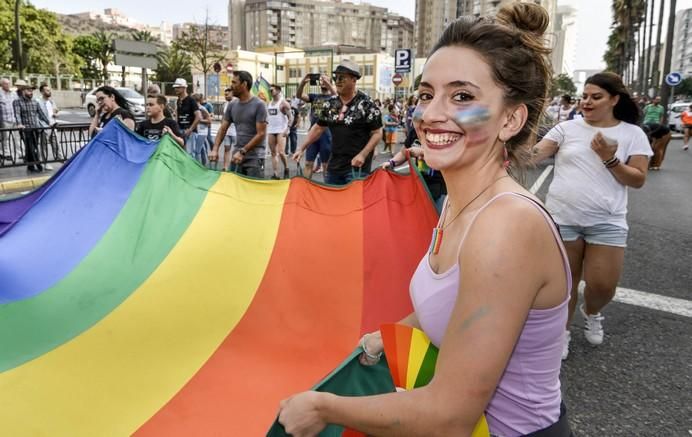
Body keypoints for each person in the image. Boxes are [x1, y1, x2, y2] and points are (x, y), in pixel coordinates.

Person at [278, 4, 575, 436]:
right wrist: (392, 333)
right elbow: (455, 307)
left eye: (462, 97)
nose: (432, 114)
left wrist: (323, 408)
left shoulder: (506, 226)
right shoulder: (460, 202)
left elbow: (449, 417)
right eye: (425, 94)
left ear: (510, 118)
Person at [533, 71, 652, 360]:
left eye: (595, 97)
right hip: (562, 217)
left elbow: (637, 179)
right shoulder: (566, 129)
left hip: (607, 221)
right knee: (566, 283)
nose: (587, 102)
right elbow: (534, 154)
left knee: (603, 286)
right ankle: (562, 333)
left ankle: (593, 310)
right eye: (584, 96)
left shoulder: (631, 133)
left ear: (613, 99)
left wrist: (609, 158)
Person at [292, 60, 383, 185]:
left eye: (342, 77)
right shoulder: (331, 103)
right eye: (336, 77)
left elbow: (377, 133)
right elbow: (318, 128)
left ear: (354, 79)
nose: (338, 81)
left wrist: (363, 155)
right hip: (334, 166)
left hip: (356, 167)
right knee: (332, 202)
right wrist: (301, 148)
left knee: (353, 204)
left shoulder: (367, 104)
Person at [209, 70, 268, 178]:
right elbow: (223, 129)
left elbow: (261, 134)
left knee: (254, 193)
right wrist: (215, 149)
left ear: (244, 84)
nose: (231, 86)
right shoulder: (232, 105)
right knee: (236, 193)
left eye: (234, 82)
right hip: (236, 157)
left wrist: (242, 151)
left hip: (254, 159)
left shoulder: (259, 105)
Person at [296, 73, 336, 179]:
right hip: (312, 135)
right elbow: (299, 95)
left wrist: (329, 85)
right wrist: (303, 82)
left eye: (326, 80)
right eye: (322, 80)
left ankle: (328, 190)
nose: (323, 82)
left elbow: (338, 97)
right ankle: (305, 189)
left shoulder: (333, 97)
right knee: (308, 164)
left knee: (325, 166)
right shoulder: (314, 96)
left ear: (330, 83)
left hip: (326, 135)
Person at [13, 80, 51, 173]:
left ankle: (30, 166)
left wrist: (48, 122)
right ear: (23, 91)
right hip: (25, 129)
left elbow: (41, 114)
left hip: (35, 127)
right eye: (28, 90)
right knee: (31, 147)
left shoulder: (35, 102)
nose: (31, 92)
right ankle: (38, 165)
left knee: (32, 147)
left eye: (31, 91)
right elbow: (17, 114)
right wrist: (19, 124)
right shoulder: (17, 102)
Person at [172, 78, 202, 160]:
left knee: (189, 154)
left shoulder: (191, 100)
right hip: (180, 130)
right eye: (175, 87)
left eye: (178, 87)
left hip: (189, 131)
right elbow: (177, 116)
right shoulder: (178, 100)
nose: (176, 89)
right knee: (181, 154)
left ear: (184, 88)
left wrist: (190, 129)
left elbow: (199, 116)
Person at [266, 84, 292, 179]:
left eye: (272, 90)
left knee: (281, 152)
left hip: (281, 130)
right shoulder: (269, 103)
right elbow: (268, 117)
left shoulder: (283, 103)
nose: (270, 91)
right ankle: (275, 174)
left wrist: (287, 128)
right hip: (271, 130)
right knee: (273, 153)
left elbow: (290, 117)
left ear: (278, 91)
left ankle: (286, 168)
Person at [36, 83, 60, 167]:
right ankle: (44, 162)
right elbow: (37, 116)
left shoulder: (51, 101)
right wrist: (42, 125)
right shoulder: (38, 102)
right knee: (44, 145)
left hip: (53, 125)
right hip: (45, 126)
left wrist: (56, 114)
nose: (49, 92)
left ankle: (60, 159)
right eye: (47, 90)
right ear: (42, 92)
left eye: (49, 90)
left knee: (56, 143)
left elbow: (56, 111)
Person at [0, 77, 22, 162]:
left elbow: (17, 104)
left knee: (17, 137)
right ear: (1, 85)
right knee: (6, 137)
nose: (8, 85)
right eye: (6, 83)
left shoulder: (13, 93)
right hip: (4, 119)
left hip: (14, 118)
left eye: (9, 83)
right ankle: (7, 153)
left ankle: (19, 153)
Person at [220, 87, 238, 171]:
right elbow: (224, 117)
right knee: (226, 148)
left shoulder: (237, 103)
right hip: (227, 132)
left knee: (237, 150)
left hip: (236, 131)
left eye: (227, 94)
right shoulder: (225, 104)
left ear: (232, 93)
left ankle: (235, 167)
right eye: (225, 94)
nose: (225, 96)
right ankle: (225, 167)